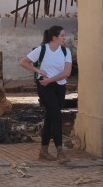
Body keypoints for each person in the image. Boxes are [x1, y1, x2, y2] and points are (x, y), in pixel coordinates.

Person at [19, 25, 72, 164]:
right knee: (56, 115)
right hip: (44, 86)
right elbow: (23, 62)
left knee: (50, 116)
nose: (64, 38)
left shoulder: (66, 52)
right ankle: (60, 151)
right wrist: (38, 71)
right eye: (62, 35)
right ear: (54, 38)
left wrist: (51, 79)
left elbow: (67, 73)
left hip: (59, 86)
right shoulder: (41, 49)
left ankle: (43, 151)